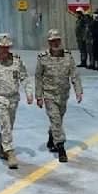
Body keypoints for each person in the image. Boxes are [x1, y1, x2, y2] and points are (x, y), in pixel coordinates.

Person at [0, 33, 34, 169]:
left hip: (13, 98)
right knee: (5, 125)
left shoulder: (16, 60)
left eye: (7, 47)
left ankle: (1, 147)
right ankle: (10, 152)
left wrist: (29, 93)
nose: (5, 50)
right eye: (2, 47)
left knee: (9, 126)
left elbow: (24, 77)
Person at [35, 29, 83, 162]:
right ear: (49, 42)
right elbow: (38, 77)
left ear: (60, 41)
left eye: (57, 40)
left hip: (63, 95)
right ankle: (61, 147)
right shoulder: (43, 58)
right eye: (52, 41)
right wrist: (38, 96)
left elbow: (74, 75)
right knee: (55, 119)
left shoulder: (68, 56)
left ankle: (52, 139)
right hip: (49, 95)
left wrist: (78, 91)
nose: (55, 43)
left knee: (58, 120)